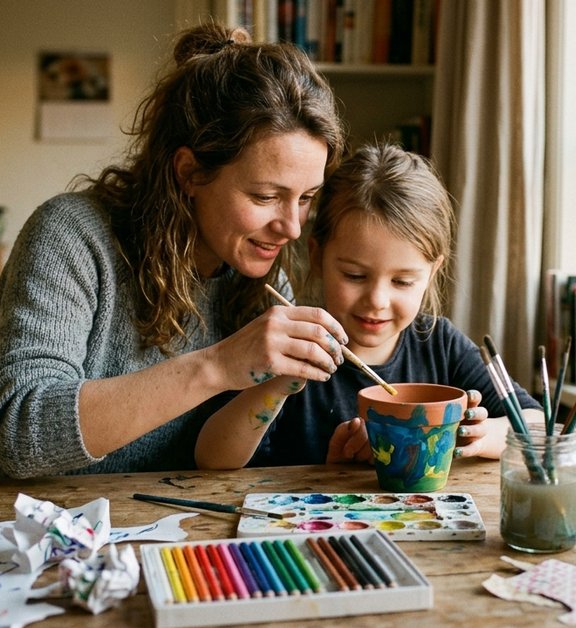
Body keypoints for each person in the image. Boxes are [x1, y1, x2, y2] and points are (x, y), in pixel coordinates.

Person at [0, 23, 348, 480]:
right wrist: (219, 365)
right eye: (266, 197)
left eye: (307, 197)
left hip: (140, 534)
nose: (291, 227)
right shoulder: (72, 237)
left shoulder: (261, 285)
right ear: (190, 173)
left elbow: (216, 460)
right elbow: (20, 436)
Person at [195, 143, 543, 469]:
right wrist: (277, 383)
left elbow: (540, 425)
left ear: (432, 272)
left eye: (403, 282)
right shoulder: (290, 344)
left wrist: (478, 436)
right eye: (355, 275)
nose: (377, 301)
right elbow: (213, 459)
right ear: (317, 257)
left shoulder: (440, 345)